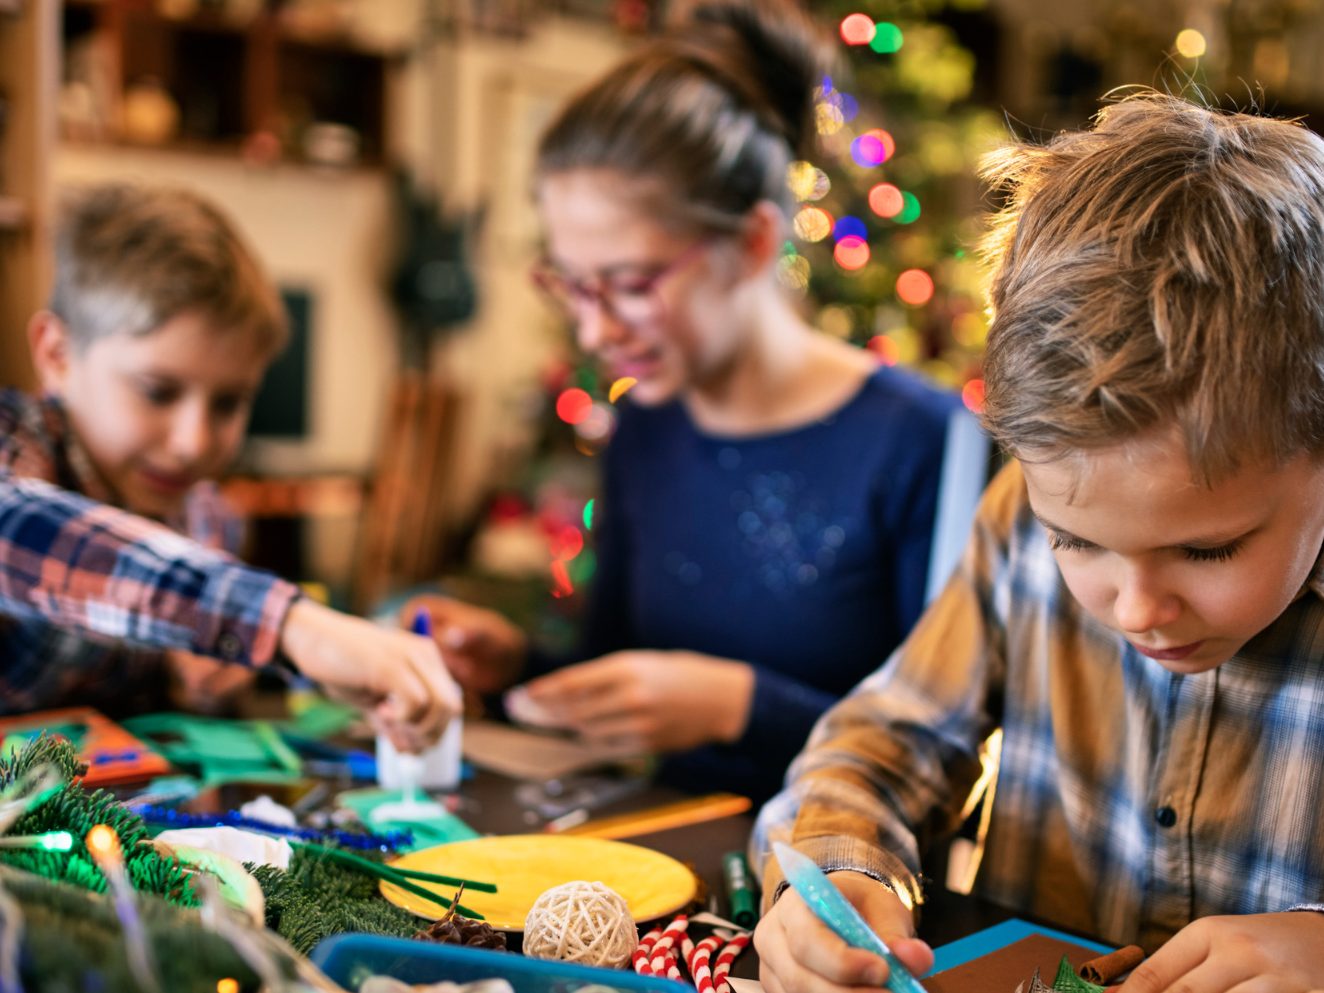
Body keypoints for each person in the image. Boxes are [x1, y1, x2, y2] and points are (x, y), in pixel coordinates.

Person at [750, 91, 1324, 993]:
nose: (1136, 608)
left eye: (1208, 550)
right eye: (1077, 541)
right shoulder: (1022, 510)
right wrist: (844, 866)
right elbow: (882, 740)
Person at [408, 0, 959, 805]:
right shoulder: (646, 428)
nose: (593, 329)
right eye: (572, 282)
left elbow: (940, 756)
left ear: (754, 243)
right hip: (656, 862)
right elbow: (623, 677)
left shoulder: (919, 440)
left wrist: (739, 708)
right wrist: (515, 668)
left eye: (629, 285)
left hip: (841, 885)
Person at [0, 182, 459, 752]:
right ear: (57, 355)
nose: (194, 443)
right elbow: (16, 526)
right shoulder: (15, 445)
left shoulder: (206, 516)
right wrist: (289, 625)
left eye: (228, 402)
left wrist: (203, 681)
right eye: (157, 391)